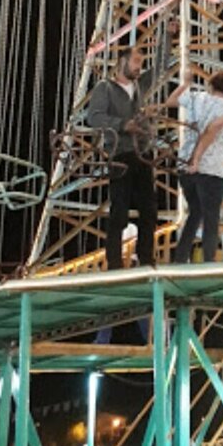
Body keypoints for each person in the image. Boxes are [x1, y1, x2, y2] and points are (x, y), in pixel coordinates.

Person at [87, 23, 176, 269]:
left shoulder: (139, 86)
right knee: (119, 211)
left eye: (141, 62)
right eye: (136, 62)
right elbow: (94, 117)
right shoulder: (105, 88)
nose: (139, 66)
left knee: (149, 210)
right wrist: (122, 125)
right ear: (122, 62)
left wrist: (168, 36)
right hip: (119, 154)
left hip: (142, 154)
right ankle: (114, 262)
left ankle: (146, 259)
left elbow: (160, 67)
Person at [168, 70, 223, 264]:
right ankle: (209, 261)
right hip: (209, 168)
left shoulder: (196, 97)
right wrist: (196, 160)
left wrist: (185, 84)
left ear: (210, 85)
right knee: (211, 217)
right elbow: (210, 132)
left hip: (184, 166)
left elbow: (170, 101)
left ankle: (180, 258)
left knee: (195, 213)